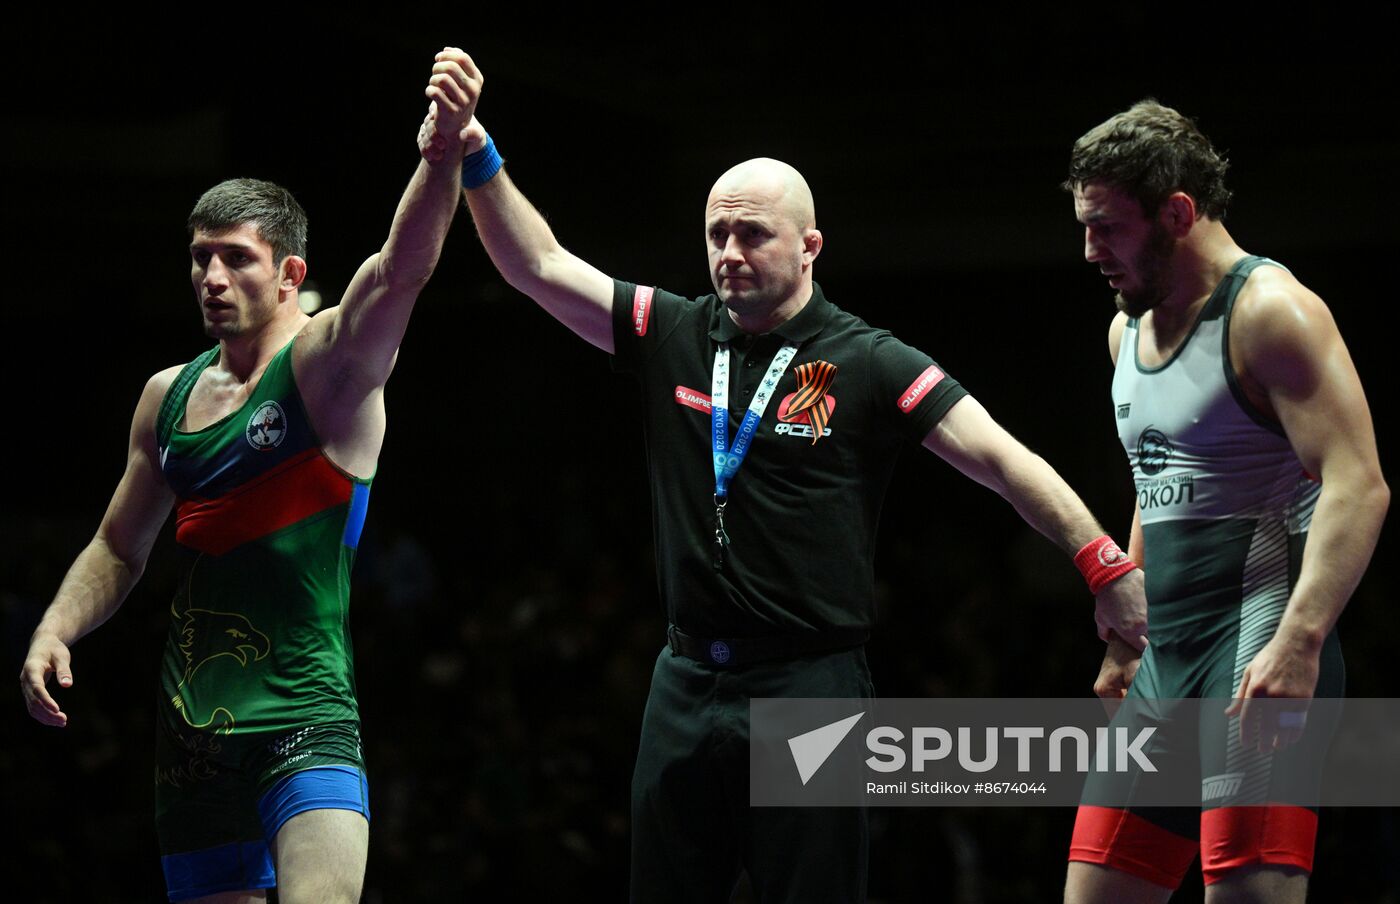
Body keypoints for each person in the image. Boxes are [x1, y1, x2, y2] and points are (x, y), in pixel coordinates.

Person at [420, 52, 1148, 903]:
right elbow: (534, 265)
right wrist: (474, 151)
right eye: (717, 235)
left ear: (809, 247)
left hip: (811, 685)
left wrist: (1104, 567)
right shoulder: (672, 331)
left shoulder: (870, 361)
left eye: (752, 235)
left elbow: (1001, 458)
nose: (729, 254)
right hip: (685, 679)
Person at [18, 48, 482, 904]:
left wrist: (443, 153)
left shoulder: (329, 369)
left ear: (291, 276)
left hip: (306, 721)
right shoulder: (167, 396)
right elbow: (120, 546)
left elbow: (401, 269)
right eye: (200, 258)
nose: (212, 277)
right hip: (191, 734)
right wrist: (56, 627)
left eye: (236, 258)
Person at [1063, 100, 1389, 904]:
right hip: (1165, 664)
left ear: (1177, 211)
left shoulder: (1271, 313)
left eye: (1107, 228)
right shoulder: (1124, 334)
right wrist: (1128, 634)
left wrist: (1302, 642)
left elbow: (1359, 483)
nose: (1089, 250)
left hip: (1257, 652)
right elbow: (1153, 479)